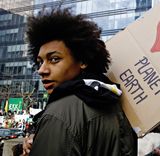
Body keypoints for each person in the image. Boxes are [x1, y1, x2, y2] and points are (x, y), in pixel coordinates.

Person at [22, 8, 137, 156]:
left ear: (82, 60)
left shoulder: (59, 115)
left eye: (54, 59)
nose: (42, 70)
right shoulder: (113, 102)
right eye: (40, 62)